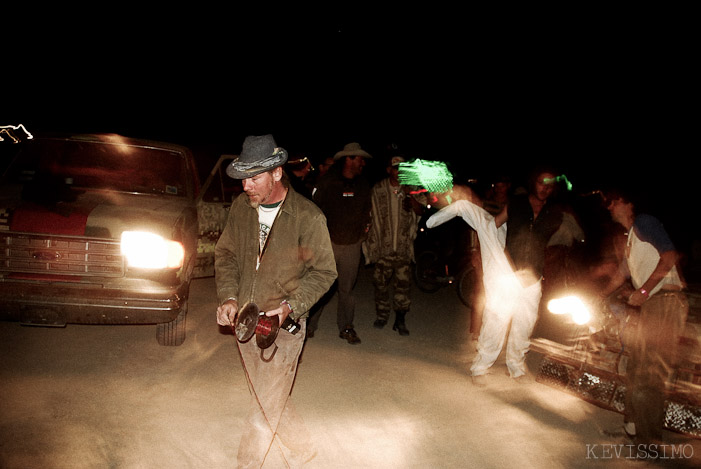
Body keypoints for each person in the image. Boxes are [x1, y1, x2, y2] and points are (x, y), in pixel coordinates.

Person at [215, 134, 337, 468]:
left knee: (263, 405)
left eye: (254, 177)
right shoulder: (242, 209)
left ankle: (247, 464)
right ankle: (302, 450)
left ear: (277, 174)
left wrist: (289, 307)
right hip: (245, 320)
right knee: (267, 397)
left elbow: (325, 272)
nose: (246, 186)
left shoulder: (307, 218)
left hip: (283, 328)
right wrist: (228, 296)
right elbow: (225, 254)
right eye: (244, 178)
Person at [602, 188, 687, 446]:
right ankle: (632, 428)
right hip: (651, 305)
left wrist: (644, 290)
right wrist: (600, 295)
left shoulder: (644, 222)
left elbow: (670, 257)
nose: (608, 206)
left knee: (650, 374)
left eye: (612, 201)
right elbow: (621, 275)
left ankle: (650, 442)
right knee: (636, 368)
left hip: (665, 302)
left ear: (628, 204)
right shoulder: (630, 239)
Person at [311, 142, 372, 344]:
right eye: (359, 158)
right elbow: (314, 212)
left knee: (347, 290)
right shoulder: (328, 182)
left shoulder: (363, 185)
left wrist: (362, 234)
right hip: (328, 244)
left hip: (352, 245)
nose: (362, 162)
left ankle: (346, 327)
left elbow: (366, 213)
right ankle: (309, 325)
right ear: (349, 159)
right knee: (322, 286)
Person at [362, 156, 422, 335]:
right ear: (389, 170)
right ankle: (382, 315)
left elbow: (421, 211)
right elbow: (369, 214)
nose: (399, 172)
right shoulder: (378, 189)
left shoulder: (412, 189)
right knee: (380, 285)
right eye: (396, 168)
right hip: (383, 248)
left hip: (403, 249)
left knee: (403, 286)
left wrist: (412, 201)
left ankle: (400, 319)